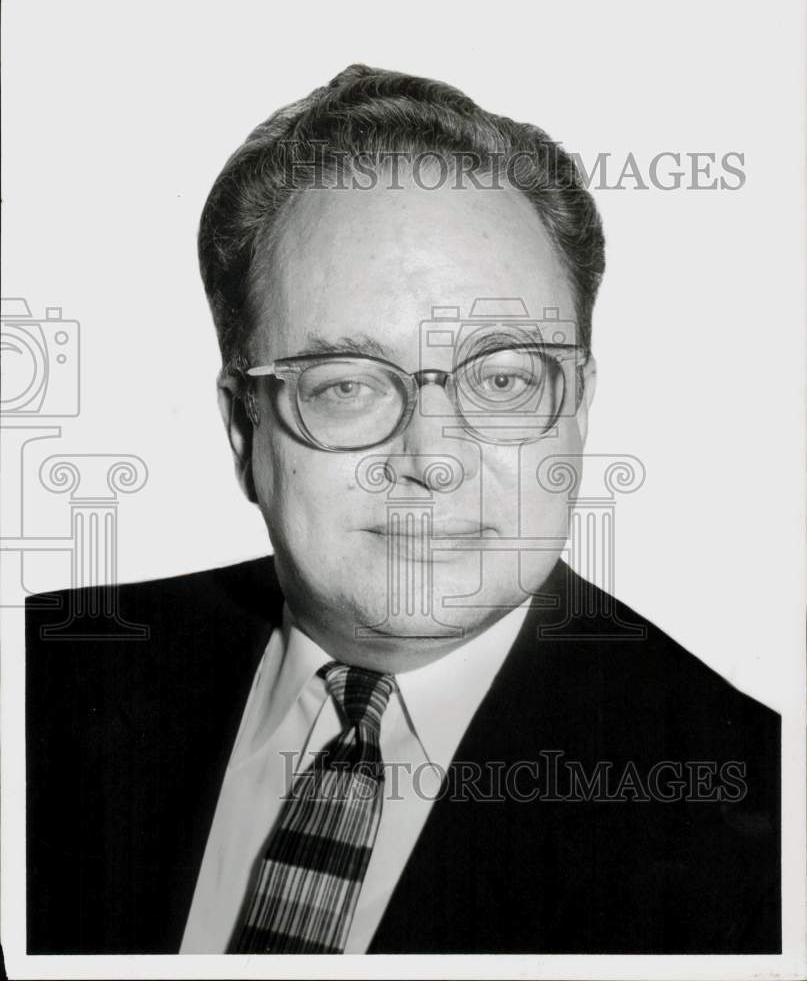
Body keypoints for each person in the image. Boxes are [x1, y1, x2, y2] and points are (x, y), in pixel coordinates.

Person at [26, 64, 780, 955]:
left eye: (501, 379)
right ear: (242, 429)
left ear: (575, 411)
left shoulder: (762, 820)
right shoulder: (39, 680)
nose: (430, 461)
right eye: (344, 384)